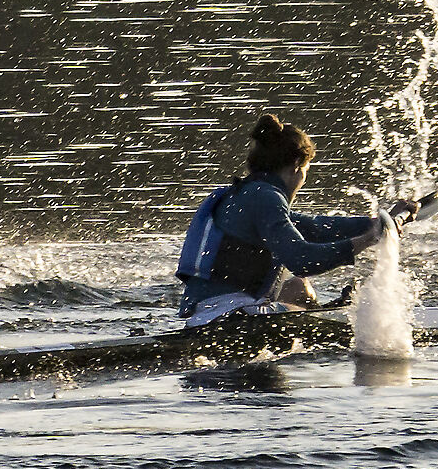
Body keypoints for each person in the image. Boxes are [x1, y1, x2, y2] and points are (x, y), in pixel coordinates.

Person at [174, 114, 410, 326]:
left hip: (205, 312)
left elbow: (315, 228)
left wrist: (378, 222)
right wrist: (368, 240)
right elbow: (302, 260)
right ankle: (336, 326)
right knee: (305, 309)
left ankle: (325, 317)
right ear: (297, 166)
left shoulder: (244, 193)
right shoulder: (266, 197)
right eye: (307, 169)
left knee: (299, 289)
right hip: (228, 317)